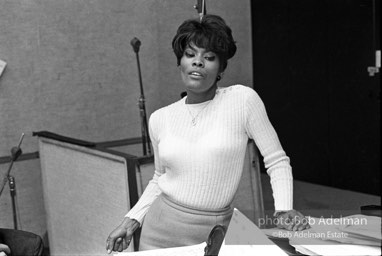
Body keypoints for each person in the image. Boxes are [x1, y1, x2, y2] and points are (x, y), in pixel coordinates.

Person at [106, 14, 309, 253]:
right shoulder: (160, 118)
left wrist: (283, 208)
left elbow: (276, 160)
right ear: (180, 61)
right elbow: (159, 177)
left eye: (209, 57)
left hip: (215, 231)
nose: (198, 62)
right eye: (190, 55)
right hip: (159, 231)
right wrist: (132, 220)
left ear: (221, 67)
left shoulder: (243, 100)